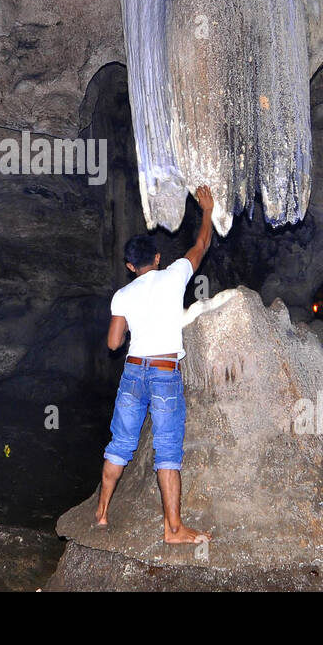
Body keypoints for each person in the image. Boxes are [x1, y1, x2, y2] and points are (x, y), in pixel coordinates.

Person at [97, 185, 214, 543]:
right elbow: (200, 247)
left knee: (120, 443)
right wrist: (206, 211)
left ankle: (101, 514)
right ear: (158, 258)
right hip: (164, 373)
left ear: (131, 266)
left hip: (133, 371)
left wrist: (130, 322)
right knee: (167, 449)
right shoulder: (174, 275)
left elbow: (114, 343)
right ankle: (173, 529)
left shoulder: (123, 294)